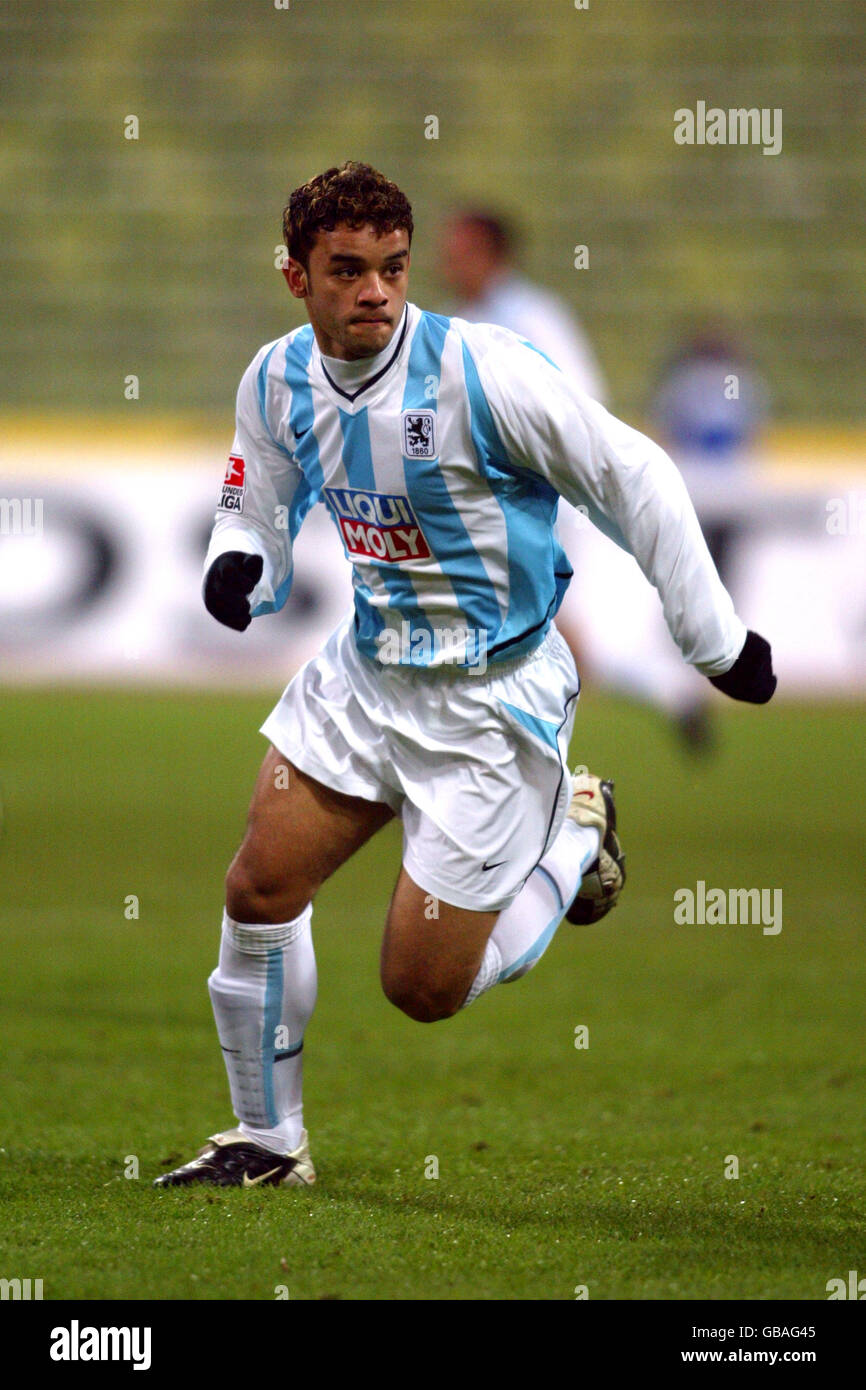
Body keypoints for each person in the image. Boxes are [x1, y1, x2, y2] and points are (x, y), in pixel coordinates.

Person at [154, 163, 776, 1189]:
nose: (375, 292)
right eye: (346, 270)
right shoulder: (273, 378)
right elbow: (256, 498)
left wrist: (713, 642)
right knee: (259, 886)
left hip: (491, 700)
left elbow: (636, 479)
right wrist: (242, 567)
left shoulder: (483, 373)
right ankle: (267, 1144)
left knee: (421, 988)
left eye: (392, 268)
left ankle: (574, 833)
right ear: (295, 278)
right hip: (365, 677)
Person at [438, 208, 606, 401]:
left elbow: (581, 393)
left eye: (464, 254)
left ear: (490, 254)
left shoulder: (533, 315)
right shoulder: (450, 318)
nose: (450, 265)